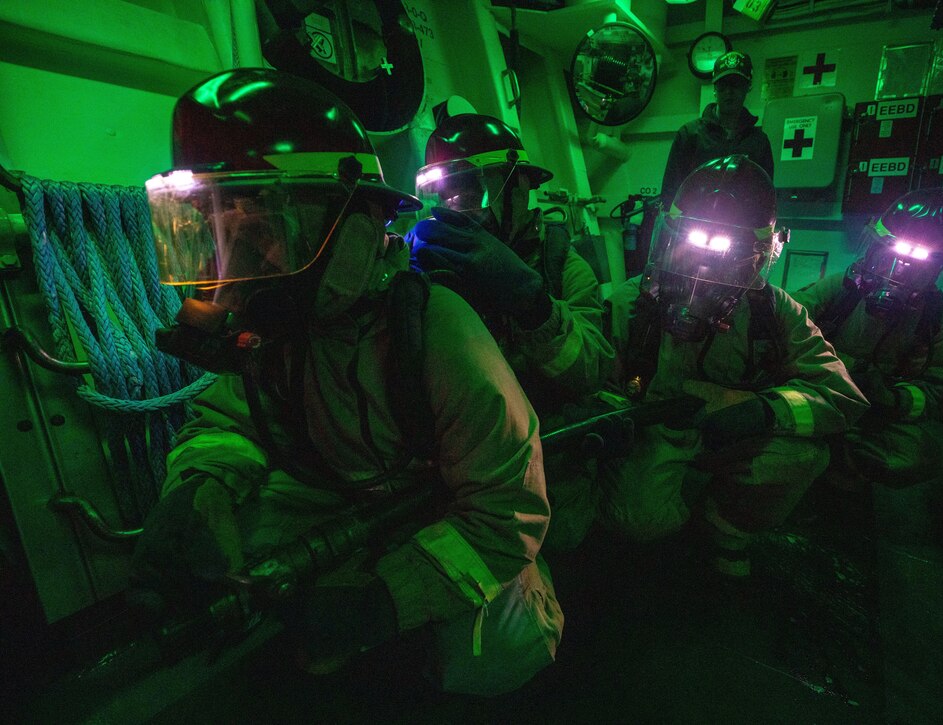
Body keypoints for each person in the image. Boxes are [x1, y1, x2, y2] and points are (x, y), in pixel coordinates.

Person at [134, 68, 563, 696]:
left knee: (493, 654)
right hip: (347, 501)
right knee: (237, 566)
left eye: (264, 227)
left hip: (444, 510)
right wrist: (198, 489)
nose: (242, 262)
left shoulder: (433, 328)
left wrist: (386, 601)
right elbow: (231, 418)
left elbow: (508, 508)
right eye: (223, 229)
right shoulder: (279, 329)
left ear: (349, 220)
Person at [601, 155, 868, 577]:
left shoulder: (777, 311)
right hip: (656, 437)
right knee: (640, 522)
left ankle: (724, 526)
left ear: (759, 256)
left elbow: (842, 396)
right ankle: (680, 502)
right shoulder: (630, 305)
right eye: (691, 245)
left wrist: (767, 411)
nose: (704, 268)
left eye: (725, 254)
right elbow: (595, 384)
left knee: (804, 456)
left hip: (738, 434)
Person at [407, 113, 615, 551]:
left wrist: (533, 305)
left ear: (519, 187)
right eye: (446, 193)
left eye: (474, 189)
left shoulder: (563, 267)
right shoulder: (421, 266)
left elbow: (591, 371)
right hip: (452, 468)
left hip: (548, 460)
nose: (456, 205)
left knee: (558, 548)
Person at [791, 188, 943, 490]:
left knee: (923, 458)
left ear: (937, 268)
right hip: (820, 395)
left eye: (916, 266)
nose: (896, 273)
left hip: (876, 416)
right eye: (889, 257)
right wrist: (838, 369)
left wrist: (894, 398)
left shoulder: (933, 317)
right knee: (785, 432)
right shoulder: (844, 289)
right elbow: (788, 324)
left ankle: (840, 470)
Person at [658, 50, 773, 211]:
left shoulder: (758, 142)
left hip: (740, 228)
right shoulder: (690, 135)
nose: (729, 92)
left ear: (748, 87)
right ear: (714, 89)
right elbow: (671, 189)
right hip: (693, 227)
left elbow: (765, 195)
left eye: (736, 85)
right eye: (723, 85)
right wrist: (674, 225)